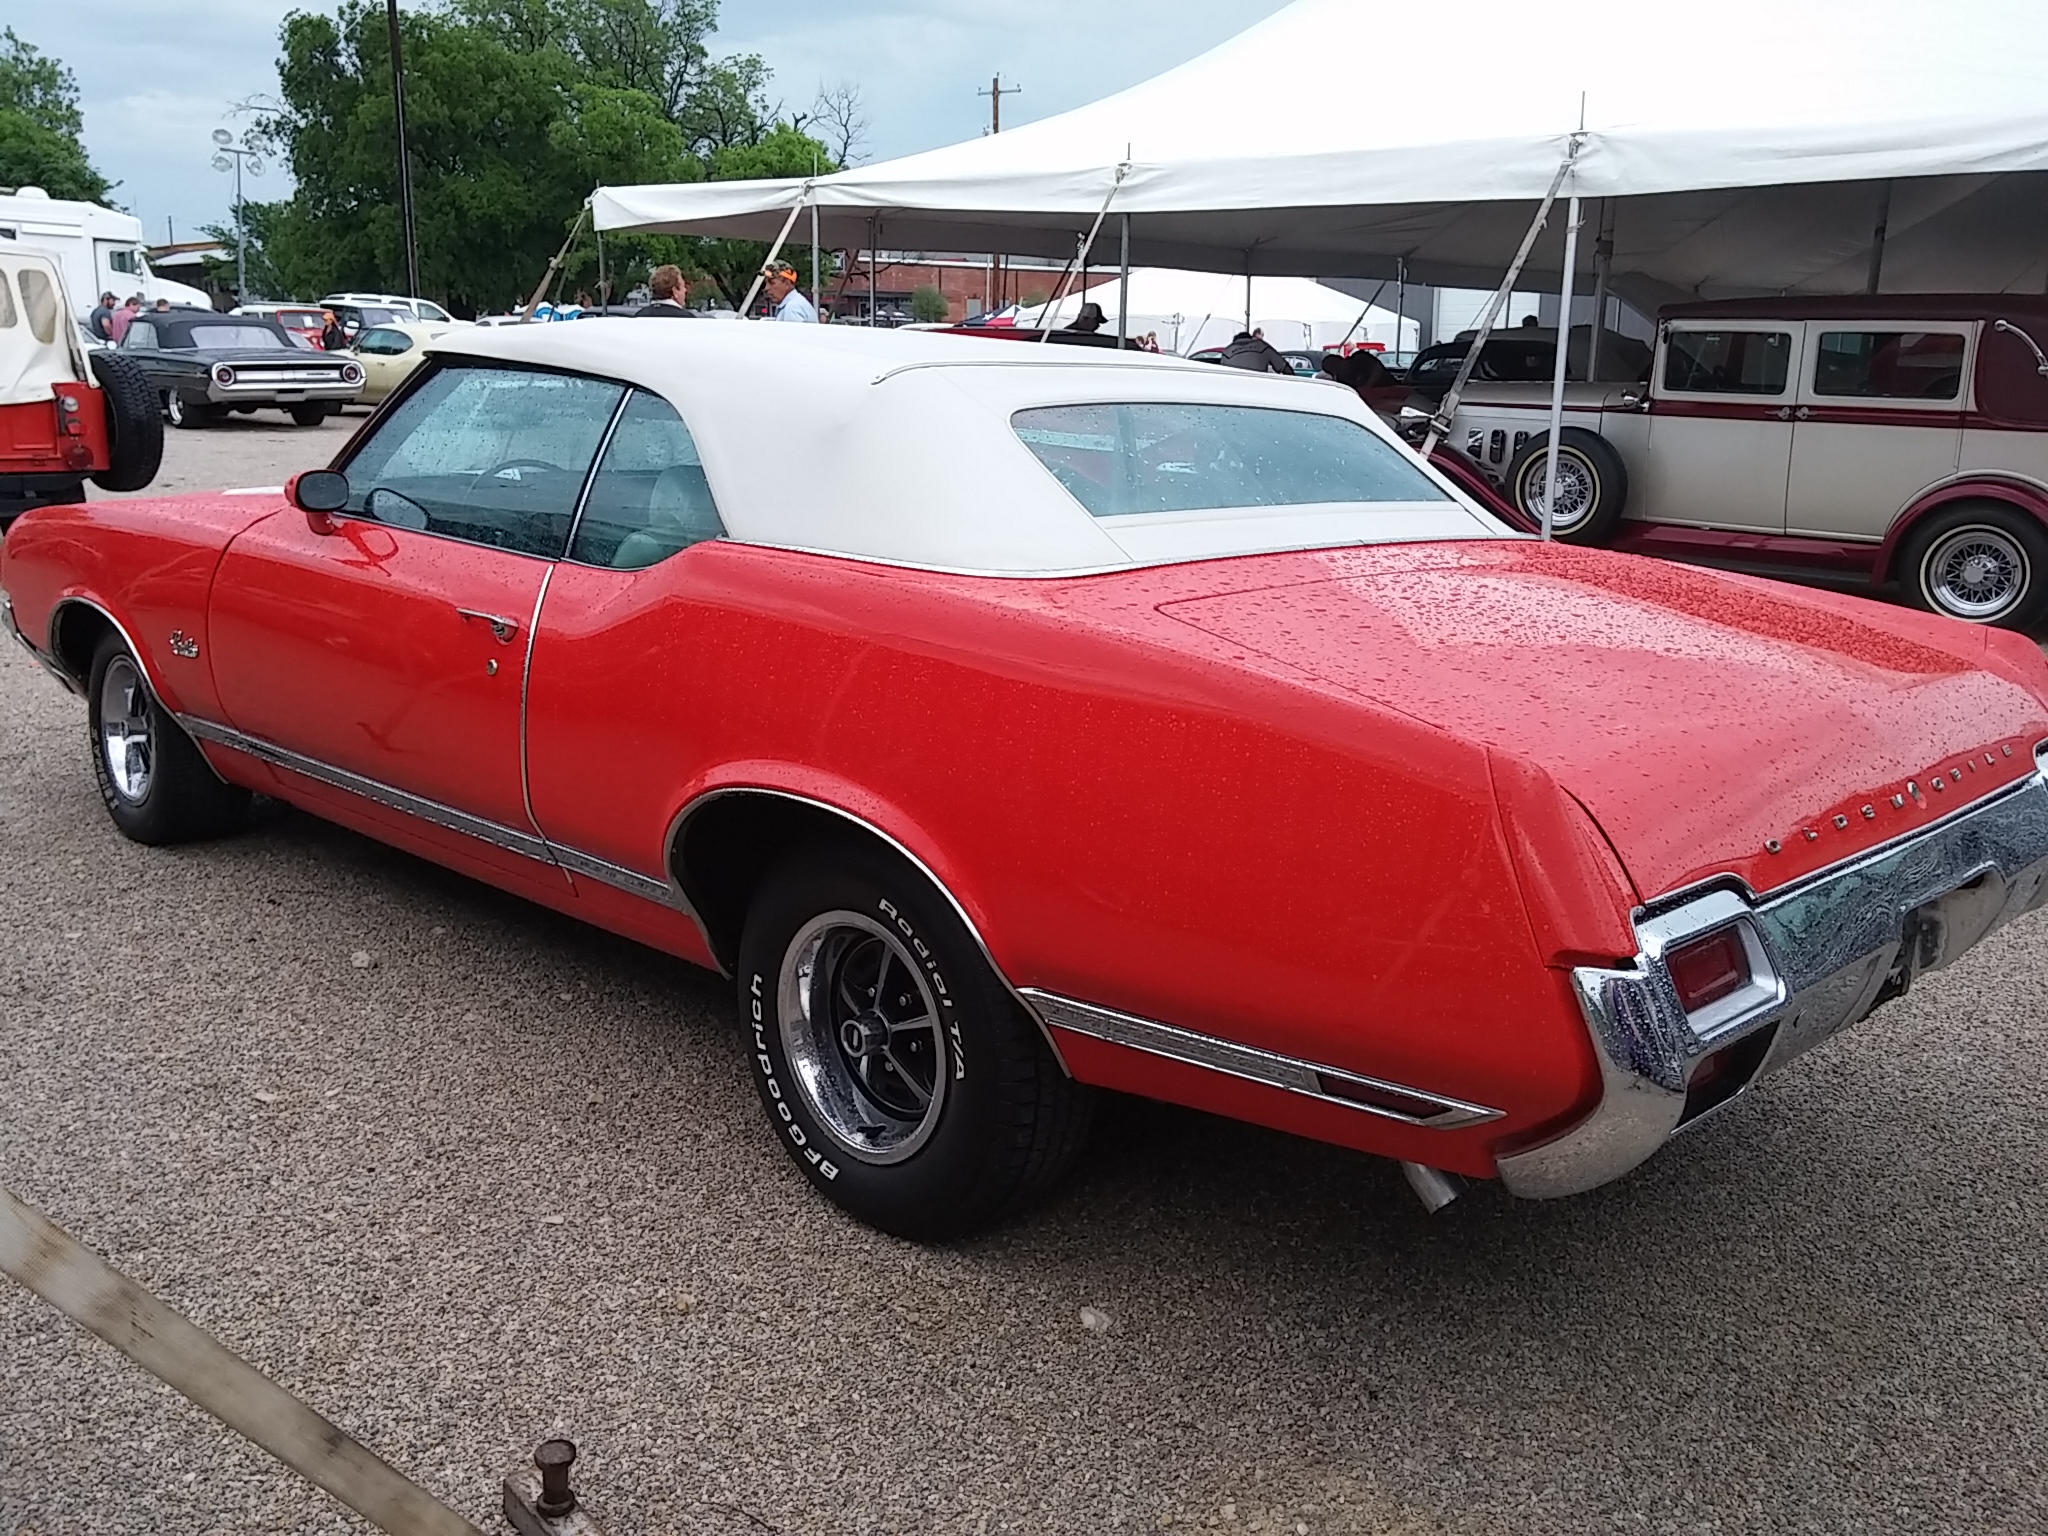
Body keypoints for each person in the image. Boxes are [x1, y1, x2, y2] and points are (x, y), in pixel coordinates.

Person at [1217, 329, 1294, 376]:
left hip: (1235, 390)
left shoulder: (1227, 351)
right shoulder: (1262, 346)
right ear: (1250, 338)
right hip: (1258, 387)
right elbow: (1284, 367)